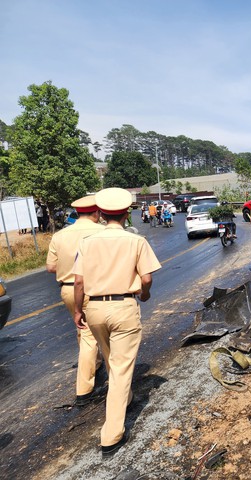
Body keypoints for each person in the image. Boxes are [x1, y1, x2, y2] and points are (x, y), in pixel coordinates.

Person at [73, 187, 161, 458]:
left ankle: (127, 396)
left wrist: (78, 310)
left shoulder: (87, 242)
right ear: (126, 214)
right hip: (123, 306)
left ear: (101, 215)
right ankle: (111, 434)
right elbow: (146, 279)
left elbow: (79, 281)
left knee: (112, 360)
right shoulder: (136, 241)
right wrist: (144, 295)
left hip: (95, 308)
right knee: (121, 368)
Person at [46, 195, 105, 406]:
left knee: (82, 328)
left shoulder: (60, 235)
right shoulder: (102, 232)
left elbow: (51, 267)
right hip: (93, 287)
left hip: (68, 290)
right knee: (93, 335)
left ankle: (95, 363)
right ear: (96, 213)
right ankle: (84, 390)